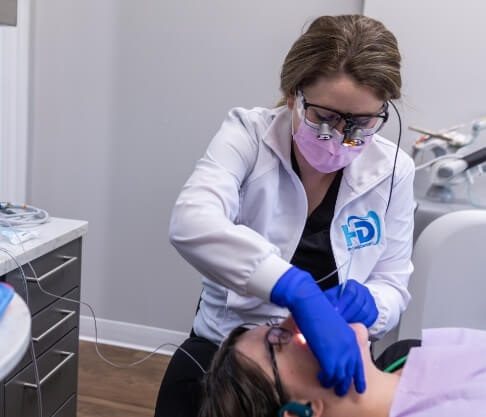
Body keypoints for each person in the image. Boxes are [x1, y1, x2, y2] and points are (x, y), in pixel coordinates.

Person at [155, 14, 415, 417]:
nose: (341, 137)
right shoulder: (248, 134)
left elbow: (393, 283)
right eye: (325, 118)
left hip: (332, 358)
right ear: (293, 93)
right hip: (235, 353)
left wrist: (371, 303)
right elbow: (192, 222)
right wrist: (296, 289)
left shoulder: (394, 170)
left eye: (361, 123)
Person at [199, 317, 486, 417]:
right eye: (278, 340)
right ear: (301, 411)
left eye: (276, 322)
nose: (298, 319)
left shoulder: (407, 355)